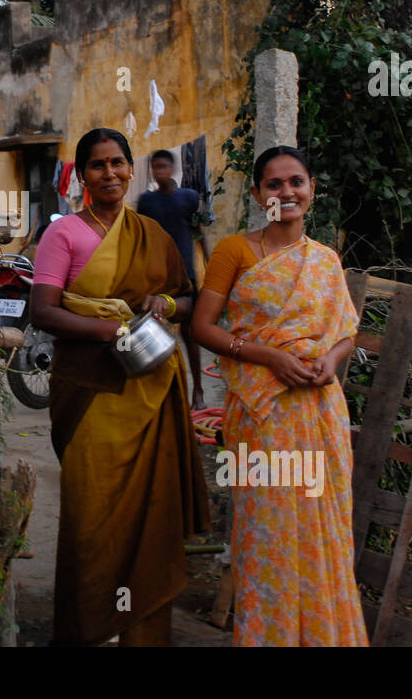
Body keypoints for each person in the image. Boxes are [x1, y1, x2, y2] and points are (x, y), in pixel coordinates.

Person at [29, 128, 211, 646]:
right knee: (93, 520)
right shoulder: (63, 233)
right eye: (97, 166)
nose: (109, 174)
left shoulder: (150, 232)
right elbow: (44, 311)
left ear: (131, 169)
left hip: (149, 391)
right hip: (89, 394)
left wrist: (166, 306)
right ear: (82, 176)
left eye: (117, 163)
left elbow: (188, 299)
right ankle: (89, 628)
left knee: (149, 519)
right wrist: (114, 329)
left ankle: (141, 632)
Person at [190, 146, 367, 646]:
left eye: (296, 182)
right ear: (257, 194)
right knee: (266, 534)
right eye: (273, 184)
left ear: (312, 189)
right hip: (262, 416)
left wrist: (330, 363)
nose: (286, 192)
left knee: (323, 527)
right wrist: (268, 357)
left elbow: (344, 332)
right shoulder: (235, 251)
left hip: (319, 410)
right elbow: (203, 326)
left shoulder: (326, 260)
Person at [138, 148, 207, 409]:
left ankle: (198, 392)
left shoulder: (188, 198)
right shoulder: (147, 202)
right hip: (156, 276)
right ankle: (160, 396)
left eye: (164, 167)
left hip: (186, 276)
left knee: (190, 335)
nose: (160, 172)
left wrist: (208, 263)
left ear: (173, 169)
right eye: (155, 168)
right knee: (154, 335)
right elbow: (142, 238)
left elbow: (199, 233)